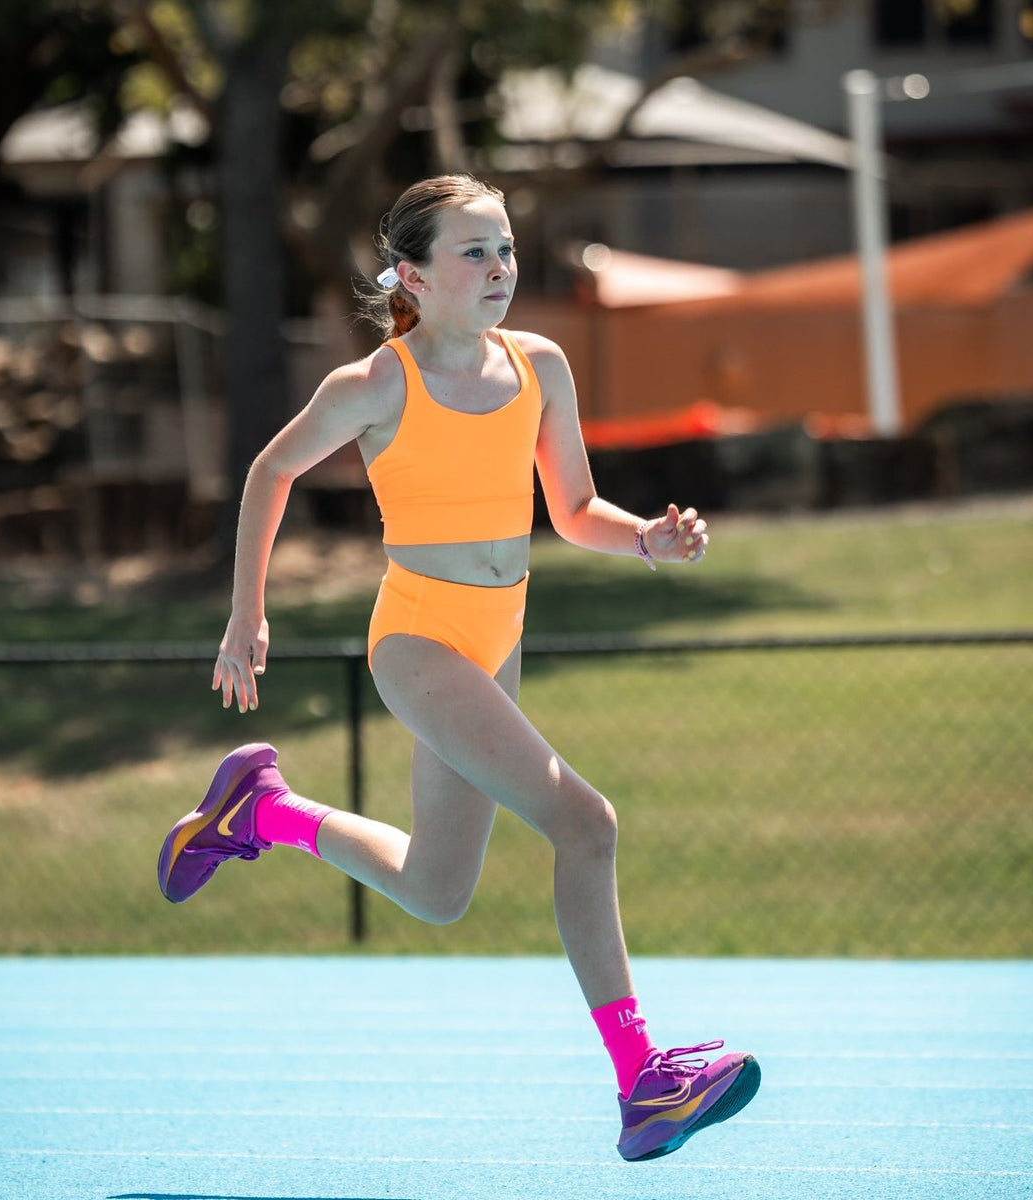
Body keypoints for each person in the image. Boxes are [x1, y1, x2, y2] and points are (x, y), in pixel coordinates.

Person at [157, 173, 759, 1161]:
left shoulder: (542, 367)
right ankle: (644, 1079)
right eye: (474, 252)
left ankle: (259, 811)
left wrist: (647, 540)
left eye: (506, 249)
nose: (499, 269)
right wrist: (245, 615)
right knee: (588, 824)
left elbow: (571, 512)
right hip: (419, 640)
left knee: (438, 889)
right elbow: (271, 470)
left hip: (497, 636)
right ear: (413, 274)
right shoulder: (377, 382)